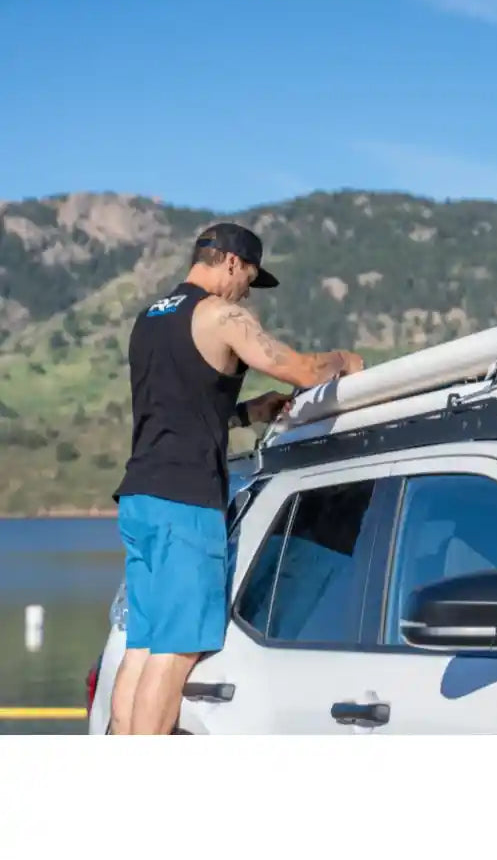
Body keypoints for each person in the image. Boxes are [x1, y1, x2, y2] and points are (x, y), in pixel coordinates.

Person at [108, 221, 363, 735]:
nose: (248, 289)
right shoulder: (222, 314)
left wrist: (248, 413)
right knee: (177, 651)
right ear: (230, 262)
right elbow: (304, 370)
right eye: (250, 276)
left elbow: (178, 412)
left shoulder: (149, 320)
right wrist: (346, 360)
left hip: (141, 498)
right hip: (186, 503)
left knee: (142, 645)